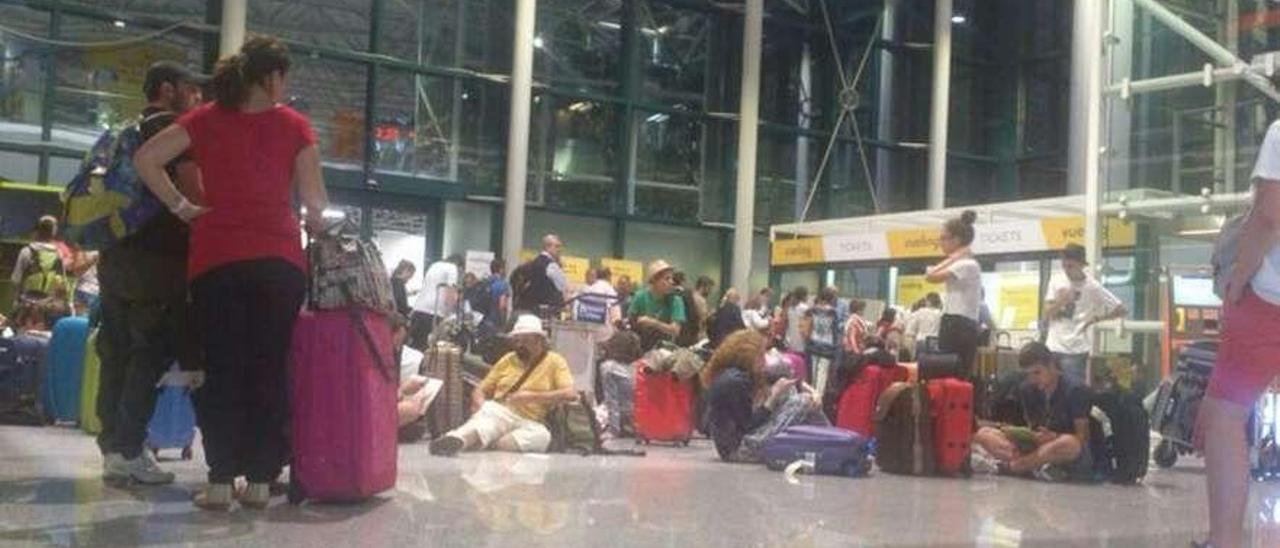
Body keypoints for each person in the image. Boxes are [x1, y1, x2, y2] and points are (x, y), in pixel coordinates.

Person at [134, 36, 328, 511]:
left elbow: (146, 160)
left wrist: (182, 207)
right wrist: (312, 222)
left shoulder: (204, 119)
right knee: (269, 367)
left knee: (221, 370)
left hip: (216, 261)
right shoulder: (295, 127)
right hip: (279, 262)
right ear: (273, 76)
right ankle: (261, 481)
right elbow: (317, 203)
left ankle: (220, 480)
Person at [96, 60, 207, 486]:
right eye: (190, 90)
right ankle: (128, 450)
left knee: (116, 353)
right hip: (157, 263)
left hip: (115, 258)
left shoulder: (123, 131)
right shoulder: (173, 134)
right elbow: (193, 193)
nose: (196, 98)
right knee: (148, 353)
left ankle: (113, 449)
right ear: (167, 89)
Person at [1194, 115, 1280, 548]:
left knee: (1225, 416)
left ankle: (1223, 542)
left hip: (1270, 301)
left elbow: (1268, 217)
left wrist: (1238, 281)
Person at [428, 315, 576, 456]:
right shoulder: (508, 359)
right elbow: (480, 389)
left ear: (539, 340)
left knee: (541, 437)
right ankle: (458, 439)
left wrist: (532, 397)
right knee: (490, 419)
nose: (520, 345)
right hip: (501, 411)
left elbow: (570, 394)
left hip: (531, 421)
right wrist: (480, 406)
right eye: (517, 340)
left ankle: (486, 442)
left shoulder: (555, 361)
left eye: (525, 340)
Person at [702, 330, 829, 462]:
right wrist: (773, 397)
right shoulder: (735, 382)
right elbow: (749, 426)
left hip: (737, 444)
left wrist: (814, 392)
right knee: (802, 401)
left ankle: (832, 440)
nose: (764, 360)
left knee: (790, 392)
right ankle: (834, 441)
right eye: (761, 355)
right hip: (739, 449)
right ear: (748, 356)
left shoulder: (733, 374)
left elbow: (789, 380)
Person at [972, 342, 1091, 482]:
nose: (1033, 379)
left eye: (1037, 372)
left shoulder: (1075, 390)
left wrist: (1054, 436)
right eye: (1029, 374)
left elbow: (1082, 437)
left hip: (1065, 450)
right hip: (1039, 447)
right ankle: (1034, 466)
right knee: (986, 432)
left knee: (1068, 443)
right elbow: (1033, 428)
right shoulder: (1027, 389)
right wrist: (1021, 434)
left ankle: (1013, 466)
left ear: (1052, 366)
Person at [1043, 244, 1127, 385]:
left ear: (1081, 265)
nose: (1067, 270)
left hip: (1077, 349)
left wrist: (1096, 319)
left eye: (1070, 266)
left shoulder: (1092, 286)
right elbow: (1047, 312)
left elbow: (1121, 309)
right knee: (1050, 392)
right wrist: (1063, 300)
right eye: (1064, 266)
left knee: (1074, 393)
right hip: (1053, 346)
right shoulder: (1056, 280)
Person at [925, 210, 982, 378]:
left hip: (959, 324)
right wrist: (955, 256)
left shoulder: (967, 264)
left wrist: (955, 257)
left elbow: (930, 276)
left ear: (956, 239)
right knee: (950, 374)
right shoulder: (963, 261)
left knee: (954, 374)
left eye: (943, 238)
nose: (940, 242)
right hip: (956, 323)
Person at [628, 260, 687, 351]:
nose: (671, 282)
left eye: (672, 278)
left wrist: (653, 322)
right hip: (641, 347)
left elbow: (675, 330)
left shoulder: (676, 300)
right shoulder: (640, 297)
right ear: (654, 280)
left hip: (664, 350)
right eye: (667, 279)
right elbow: (631, 321)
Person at [10, 216, 69, 307]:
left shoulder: (27, 251)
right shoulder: (58, 254)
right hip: (47, 303)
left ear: (38, 230)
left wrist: (16, 300)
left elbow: (16, 279)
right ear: (54, 232)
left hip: (26, 301)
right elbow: (62, 282)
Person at [408, 254, 462, 350]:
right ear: (459, 265)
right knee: (428, 349)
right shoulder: (452, 268)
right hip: (434, 312)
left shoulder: (434, 265)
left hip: (418, 309)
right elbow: (449, 294)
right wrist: (452, 312)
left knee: (415, 345)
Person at [512, 234, 568, 315]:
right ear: (548, 247)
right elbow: (563, 287)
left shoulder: (532, 263)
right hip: (546, 311)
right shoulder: (551, 265)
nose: (559, 249)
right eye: (557, 246)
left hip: (527, 308)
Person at [802, 286, 841, 394]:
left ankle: (811, 395)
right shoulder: (833, 312)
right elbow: (835, 330)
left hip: (813, 342)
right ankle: (818, 397)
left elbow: (809, 325)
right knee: (822, 373)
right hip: (827, 344)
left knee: (813, 373)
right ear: (831, 297)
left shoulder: (812, 309)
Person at [905, 292, 944, 359]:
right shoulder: (941, 315)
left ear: (928, 302)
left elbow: (910, 331)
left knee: (920, 366)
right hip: (936, 343)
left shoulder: (920, 312)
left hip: (921, 342)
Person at [782, 286, 811, 354]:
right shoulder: (805, 308)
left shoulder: (790, 308)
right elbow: (808, 327)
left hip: (789, 340)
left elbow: (785, 322)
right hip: (800, 343)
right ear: (804, 296)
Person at [485, 258, 511, 329]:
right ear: (501, 270)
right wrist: (503, 324)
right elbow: (502, 305)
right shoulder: (502, 284)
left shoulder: (485, 282)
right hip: (495, 321)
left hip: (484, 320)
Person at [693, 276, 716, 341]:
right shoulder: (701, 300)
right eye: (709, 288)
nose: (710, 291)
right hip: (700, 334)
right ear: (703, 286)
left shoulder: (692, 296)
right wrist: (711, 313)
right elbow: (703, 319)